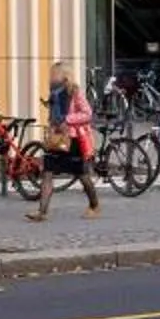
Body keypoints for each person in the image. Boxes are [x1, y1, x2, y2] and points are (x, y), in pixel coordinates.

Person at [29, 61, 102, 221]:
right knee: (47, 173)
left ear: (64, 76)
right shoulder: (53, 93)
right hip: (56, 139)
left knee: (82, 175)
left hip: (73, 140)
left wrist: (67, 119)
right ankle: (42, 211)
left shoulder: (75, 93)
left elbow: (87, 114)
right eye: (51, 74)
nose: (51, 77)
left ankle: (95, 205)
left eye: (54, 74)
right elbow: (53, 116)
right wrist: (52, 127)